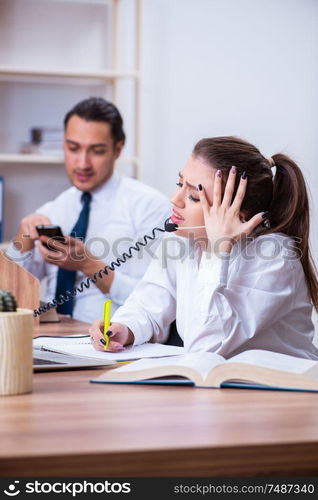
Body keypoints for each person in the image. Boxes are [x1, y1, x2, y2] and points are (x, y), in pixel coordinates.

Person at [90, 136, 318, 360]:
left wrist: (218, 251)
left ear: (238, 215)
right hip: (221, 388)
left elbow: (206, 346)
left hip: (283, 389)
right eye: (180, 184)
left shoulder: (275, 256)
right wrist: (125, 328)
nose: (175, 199)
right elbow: (149, 304)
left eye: (193, 196)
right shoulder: (183, 241)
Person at [6, 98, 171, 323]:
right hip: (48, 337)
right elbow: (8, 298)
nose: (82, 163)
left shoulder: (150, 207)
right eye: (73, 148)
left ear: (118, 149)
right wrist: (22, 239)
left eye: (97, 151)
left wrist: (88, 264)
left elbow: (157, 302)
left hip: (111, 344)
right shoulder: (53, 209)